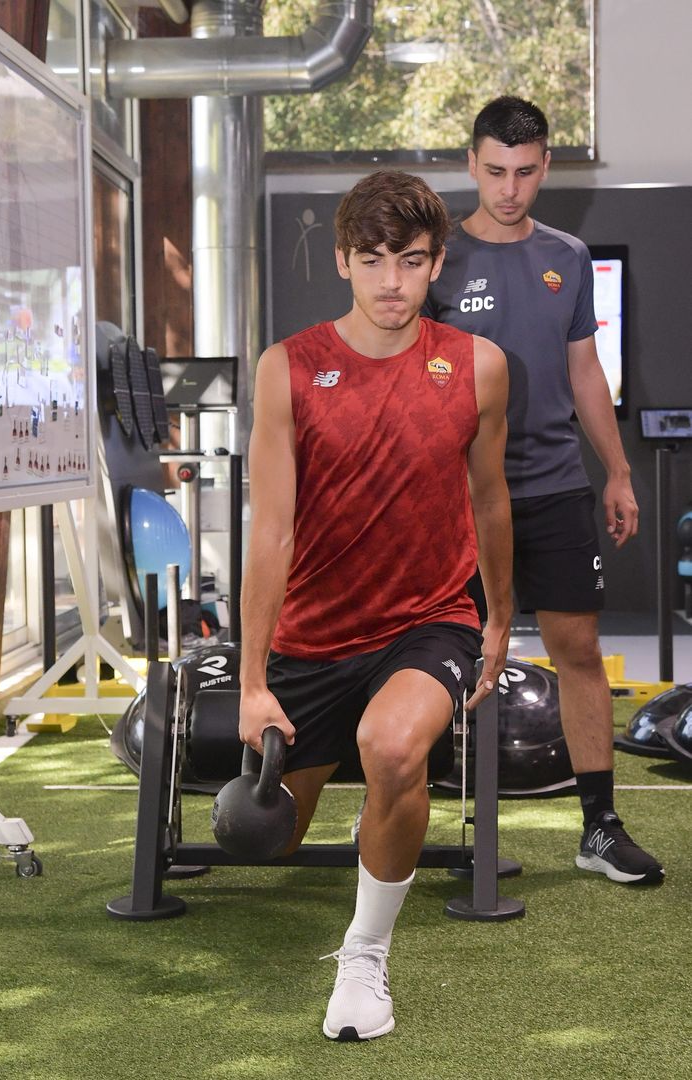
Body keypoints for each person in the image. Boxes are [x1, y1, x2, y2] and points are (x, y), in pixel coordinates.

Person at [238, 170, 512, 1041]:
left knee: (392, 747)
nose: (391, 282)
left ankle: (365, 957)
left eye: (411, 261)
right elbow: (270, 535)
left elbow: (491, 500)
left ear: (437, 264)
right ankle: (380, 816)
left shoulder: (478, 367)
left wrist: (499, 617)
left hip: (427, 618)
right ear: (342, 260)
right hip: (313, 635)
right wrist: (252, 682)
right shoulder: (288, 368)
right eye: (373, 260)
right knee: (266, 842)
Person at [425, 95, 664, 886]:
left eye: (525, 172)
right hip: (457, 495)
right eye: (495, 171)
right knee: (435, 658)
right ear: (471, 165)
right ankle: (409, 814)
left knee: (579, 652)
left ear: (545, 167)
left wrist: (618, 471)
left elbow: (585, 372)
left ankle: (598, 827)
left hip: (556, 486)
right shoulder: (436, 259)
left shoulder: (567, 254)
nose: (509, 189)